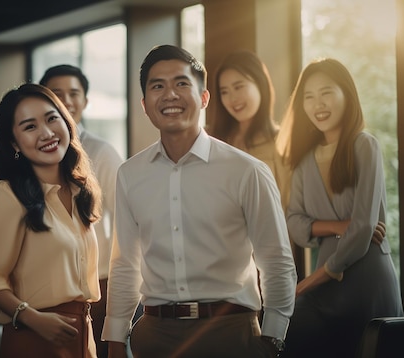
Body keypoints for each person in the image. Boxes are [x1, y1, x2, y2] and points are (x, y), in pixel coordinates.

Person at [101, 44, 297, 358]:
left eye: (181, 83)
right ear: (145, 104)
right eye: (157, 86)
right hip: (154, 335)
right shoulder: (130, 175)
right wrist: (114, 339)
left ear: (204, 98)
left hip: (231, 333)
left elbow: (276, 261)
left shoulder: (247, 171)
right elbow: (126, 265)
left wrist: (273, 339)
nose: (170, 94)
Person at [277, 58, 403, 358]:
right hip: (325, 287)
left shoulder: (364, 145)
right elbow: (294, 223)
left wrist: (306, 283)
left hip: (366, 282)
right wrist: (336, 226)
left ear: (347, 94)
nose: (318, 104)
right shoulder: (304, 160)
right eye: (308, 96)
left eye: (327, 92)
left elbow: (362, 232)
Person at [0, 83, 103, 357]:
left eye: (52, 118)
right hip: (34, 337)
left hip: (83, 334)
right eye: (30, 127)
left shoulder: (81, 192)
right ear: (14, 143)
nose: (46, 133)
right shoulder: (9, 195)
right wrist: (33, 319)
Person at [40, 64, 124, 358]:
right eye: (56, 94)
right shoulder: (32, 152)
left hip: (95, 285)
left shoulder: (102, 152)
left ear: (85, 101)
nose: (66, 101)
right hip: (44, 284)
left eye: (74, 93)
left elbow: (125, 221)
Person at [209, 50, 291, 211]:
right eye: (224, 92)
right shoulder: (213, 141)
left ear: (260, 84)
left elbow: (288, 209)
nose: (232, 99)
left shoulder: (282, 143)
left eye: (238, 87)